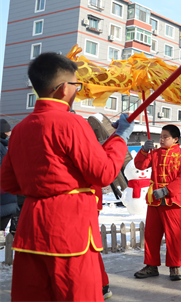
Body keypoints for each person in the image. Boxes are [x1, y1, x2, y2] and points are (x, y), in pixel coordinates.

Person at [0, 52, 133, 301]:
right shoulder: (72, 124)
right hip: (70, 229)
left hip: (32, 228)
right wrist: (120, 139)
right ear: (63, 89)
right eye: (75, 85)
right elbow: (103, 173)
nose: (76, 91)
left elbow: (8, 182)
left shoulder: (19, 130)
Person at [133, 125, 181, 281]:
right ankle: (151, 266)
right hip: (155, 200)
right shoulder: (155, 153)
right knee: (151, 234)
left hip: (172, 200)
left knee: (173, 235)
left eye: (166, 137)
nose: (162, 139)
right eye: (161, 136)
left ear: (175, 139)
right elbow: (140, 165)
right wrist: (144, 150)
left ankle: (174, 267)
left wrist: (167, 190)